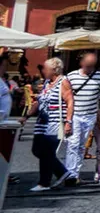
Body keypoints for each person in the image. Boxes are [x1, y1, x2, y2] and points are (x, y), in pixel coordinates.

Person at [60, 50, 100, 186]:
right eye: (88, 65)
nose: (90, 69)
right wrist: (67, 119)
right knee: (73, 144)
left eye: (93, 66)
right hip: (75, 115)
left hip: (90, 115)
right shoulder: (71, 76)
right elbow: (66, 98)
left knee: (81, 146)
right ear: (81, 63)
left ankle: (75, 174)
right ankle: (70, 174)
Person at [27, 58, 68, 192]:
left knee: (47, 152)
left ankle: (44, 183)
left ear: (55, 70)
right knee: (37, 150)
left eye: (45, 68)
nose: (43, 71)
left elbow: (70, 102)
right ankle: (62, 173)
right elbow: (39, 101)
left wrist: (69, 121)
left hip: (55, 122)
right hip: (41, 122)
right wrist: (26, 116)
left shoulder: (64, 82)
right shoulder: (46, 83)